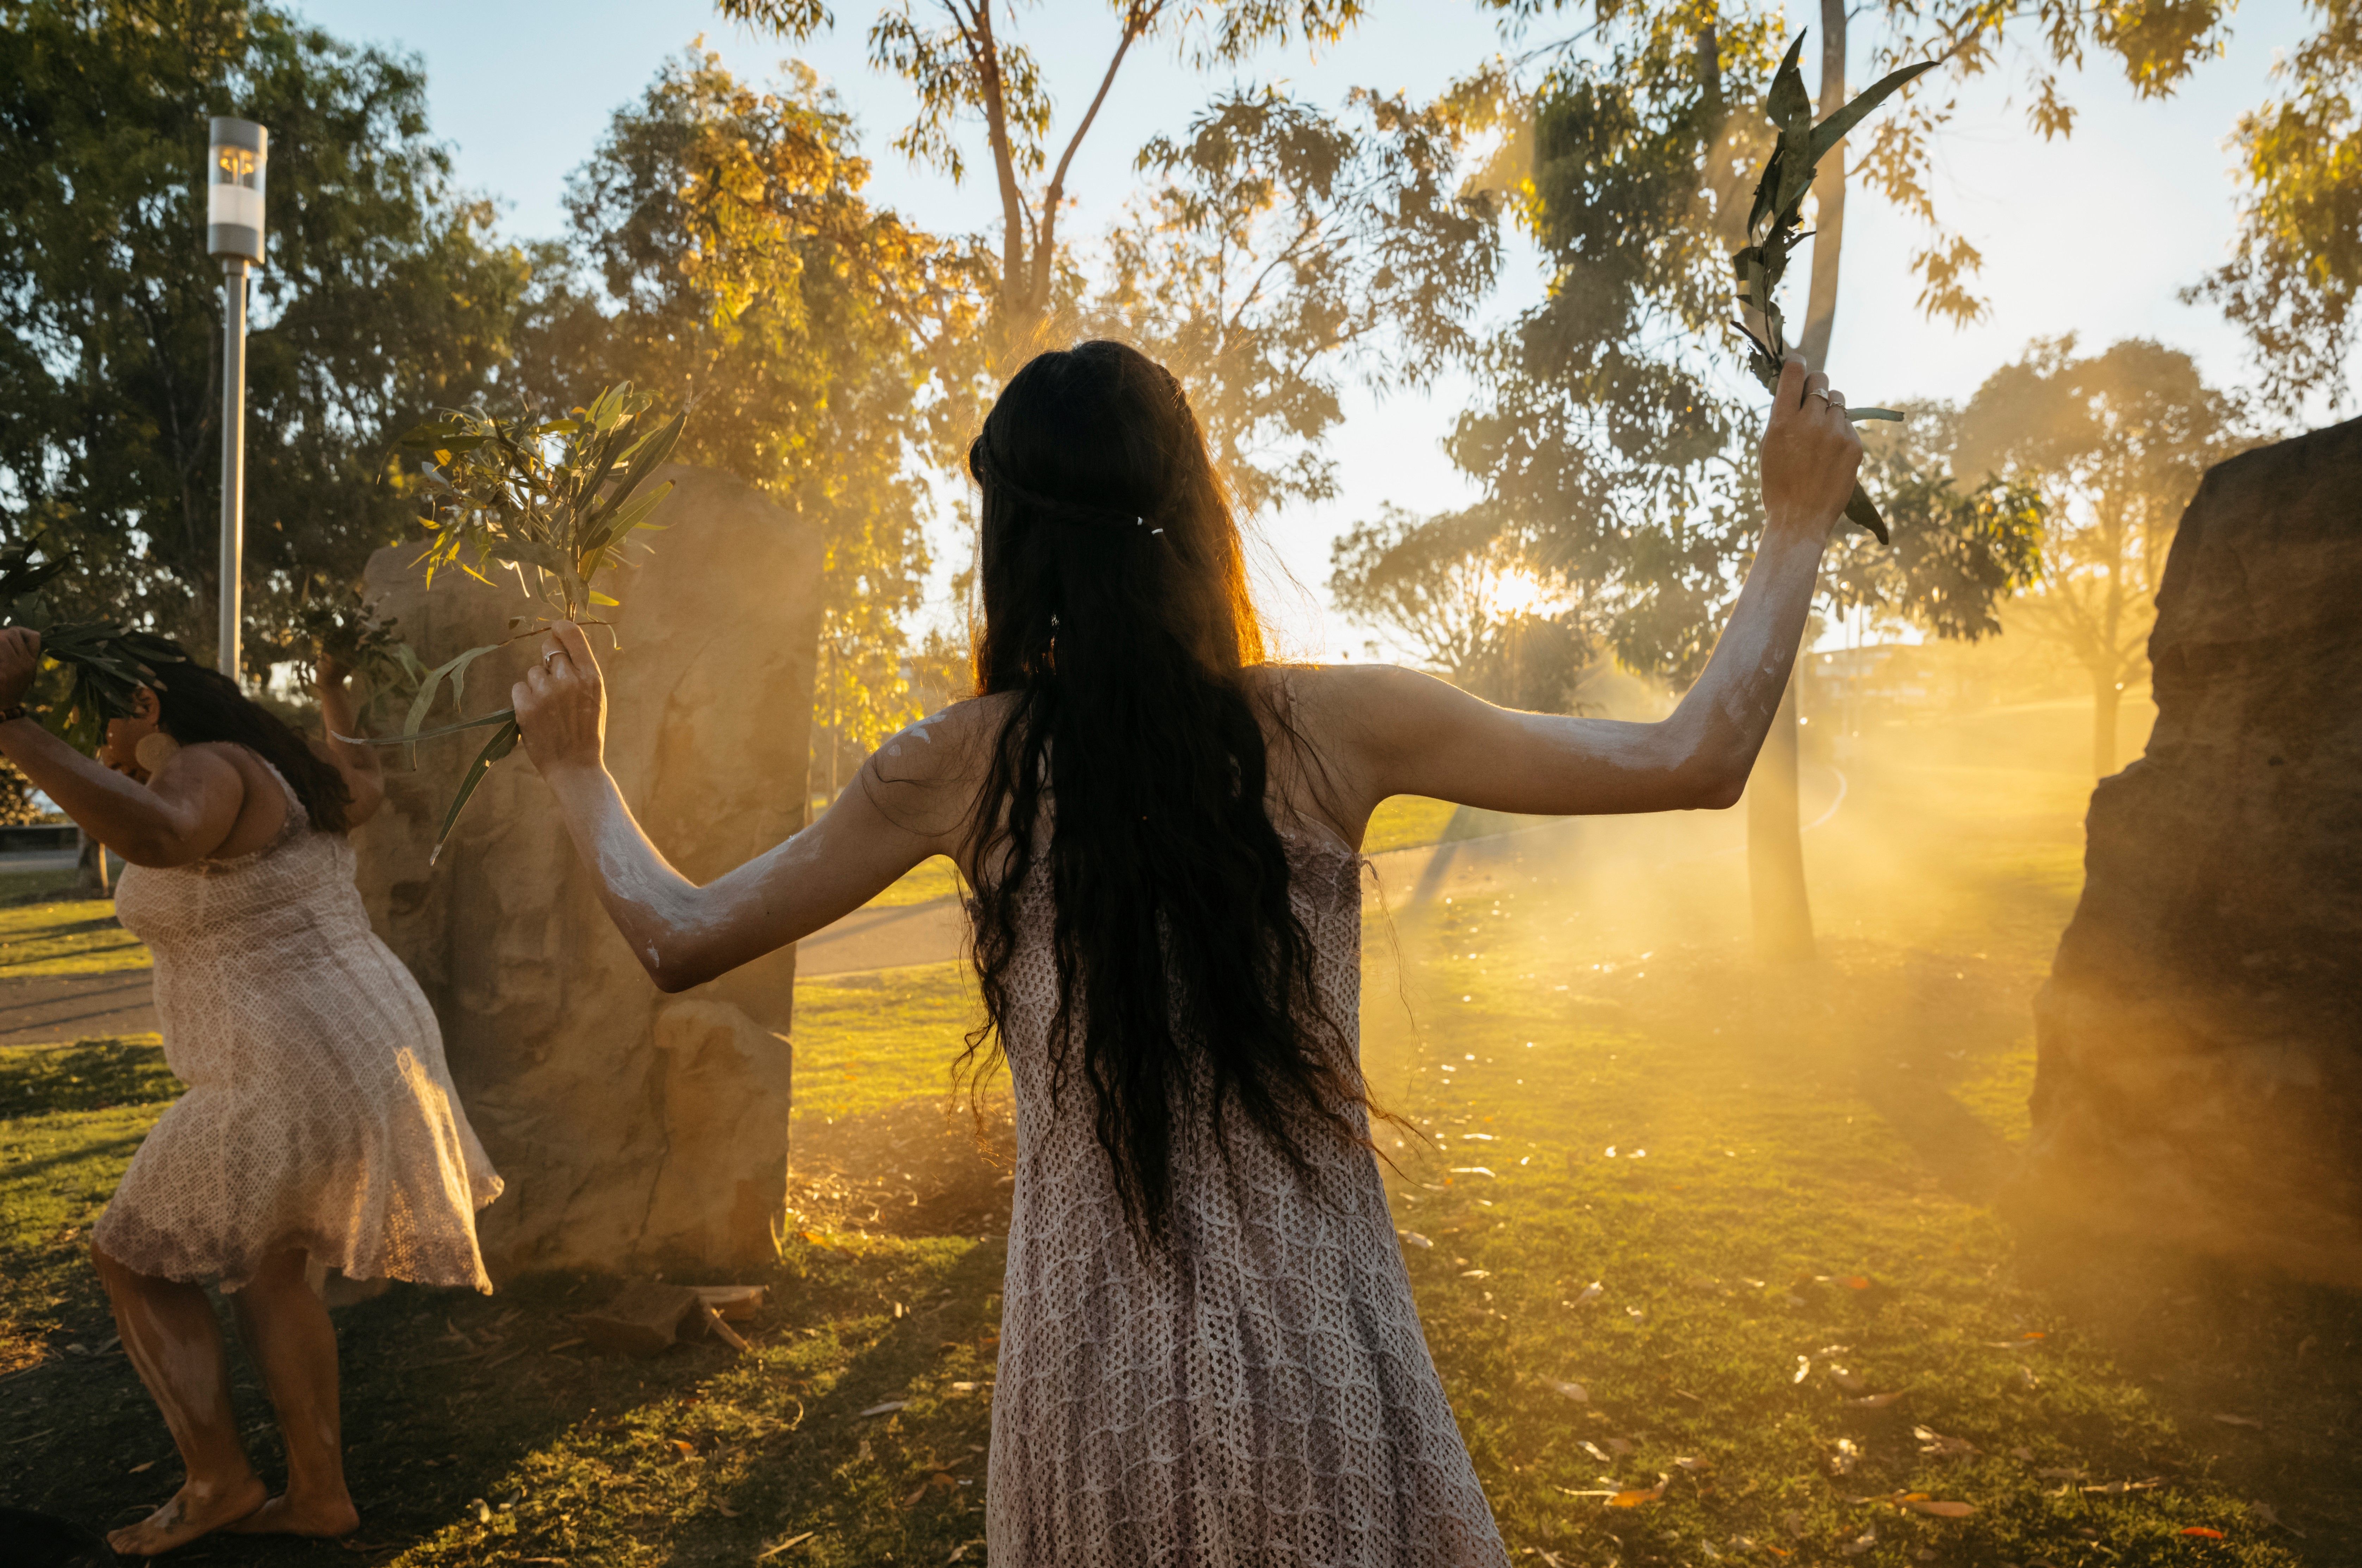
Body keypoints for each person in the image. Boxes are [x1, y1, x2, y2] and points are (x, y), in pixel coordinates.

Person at [512, 340, 1862, 1566]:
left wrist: (578, 771)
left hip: (1085, 1397)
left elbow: (677, 933)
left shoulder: (954, 770)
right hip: (1325, 1369)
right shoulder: (1337, 728)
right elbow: (1695, 753)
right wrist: (1795, 521)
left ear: (1013, 544)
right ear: (1198, 517)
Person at [0, 640, 503, 1557]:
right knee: (269, 1266)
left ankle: (218, 1481)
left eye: (104, 721)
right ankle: (319, 1497)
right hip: (360, 1038)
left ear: (147, 707)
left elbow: (161, 837)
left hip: (284, 1058)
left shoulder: (203, 767)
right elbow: (365, 784)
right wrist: (334, 696)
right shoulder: (281, 769)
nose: (100, 743)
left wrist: (12, 723)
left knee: (132, 1257)